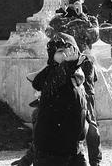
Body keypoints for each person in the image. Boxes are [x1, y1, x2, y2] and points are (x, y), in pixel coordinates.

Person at [48, 0, 102, 166]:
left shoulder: (91, 19)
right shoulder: (58, 18)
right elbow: (52, 34)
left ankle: (95, 161)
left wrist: (81, 16)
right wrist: (63, 11)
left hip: (85, 72)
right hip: (64, 72)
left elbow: (93, 36)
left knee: (90, 118)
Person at [31, 33, 88, 166]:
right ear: (52, 55)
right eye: (60, 51)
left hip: (75, 148)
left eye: (69, 49)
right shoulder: (49, 73)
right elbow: (54, 80)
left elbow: (81, 107)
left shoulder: (77, 74)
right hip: (51, 150)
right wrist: (69, 65)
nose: (65, 54)